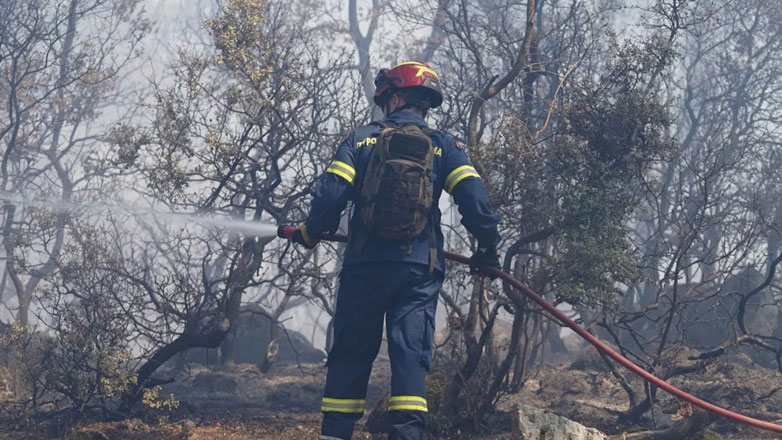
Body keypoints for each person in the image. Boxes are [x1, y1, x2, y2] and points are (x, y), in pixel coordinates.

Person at [289, 61, 501, 440]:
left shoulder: (361, 140)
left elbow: (331, 195)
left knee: (351, 354)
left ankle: (335, 434)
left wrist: (309, 231)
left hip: (364, 268)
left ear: (396, 96)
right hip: (417, 271)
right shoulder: (443, 146)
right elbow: (474, 198)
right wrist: (487, 247)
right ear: (425, 103)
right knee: (410, 359)